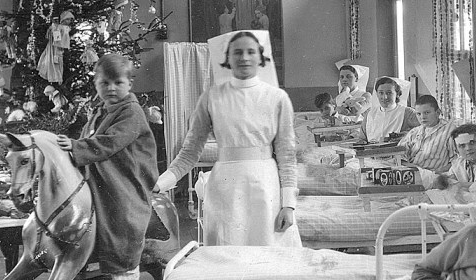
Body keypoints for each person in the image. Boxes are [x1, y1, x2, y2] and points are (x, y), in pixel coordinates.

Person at [154, 31, 302, 247]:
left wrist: (288, 205)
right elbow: (190, 152)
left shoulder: (278, 99)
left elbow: (287, 156)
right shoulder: (211, 98)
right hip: (226, 187)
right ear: (227, 58)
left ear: (260, 57)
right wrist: (161, 183)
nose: (244, 58)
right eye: (237, 52)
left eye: (250, 52)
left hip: (265, 186)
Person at [55, 53, 158, 279]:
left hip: (127, 179)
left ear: (129, 84)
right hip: (103, 175)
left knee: (123, 220)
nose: (111, 88)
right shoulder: (99, 111)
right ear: (96, 84)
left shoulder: (131, 111)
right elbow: (88, 135)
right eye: (104, 83)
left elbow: (111, 141)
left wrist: (76, 146)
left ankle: (126, 270)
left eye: (118, 82)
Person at [398, 95, 467, 173]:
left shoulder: (450, 131)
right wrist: (413, 169)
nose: (422, 117)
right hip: (411, 172)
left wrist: (438, 172)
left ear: (438, 112)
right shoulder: (415, 132)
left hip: (434, 175)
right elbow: (398, 154)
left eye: (426, 113)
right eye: (419, 114)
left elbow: (458, 161)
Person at [428, 123, 476, 204]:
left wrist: (461, 185)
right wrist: (444, 181)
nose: (468, 148)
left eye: (472, 143)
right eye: (462, 145)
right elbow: (450, 179)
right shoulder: (458, 163)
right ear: (456, 150)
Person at [359, 76, 420, 142]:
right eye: (381, 93)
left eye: (389, 93)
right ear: (377, 94)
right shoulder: (369, 114)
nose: (385, 97)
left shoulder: (408, 113)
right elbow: (362, 140)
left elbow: (422, 133)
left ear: (397, 94)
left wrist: (404, 136)